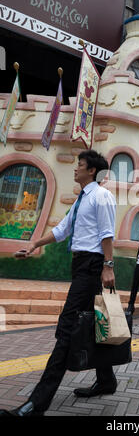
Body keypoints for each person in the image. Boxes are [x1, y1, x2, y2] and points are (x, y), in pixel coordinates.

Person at [0, 150, 116, 417]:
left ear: (92, 172)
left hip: (93, 267)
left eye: (80, 165)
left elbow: (107, 233)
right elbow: (63, 230)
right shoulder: (81, 200)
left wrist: (109, 266)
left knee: (68, 329)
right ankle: (107, 380)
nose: (75, 169)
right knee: (98, 324)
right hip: (81, 266)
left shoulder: (101, 196)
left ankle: (36, 404)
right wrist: (34, 244)